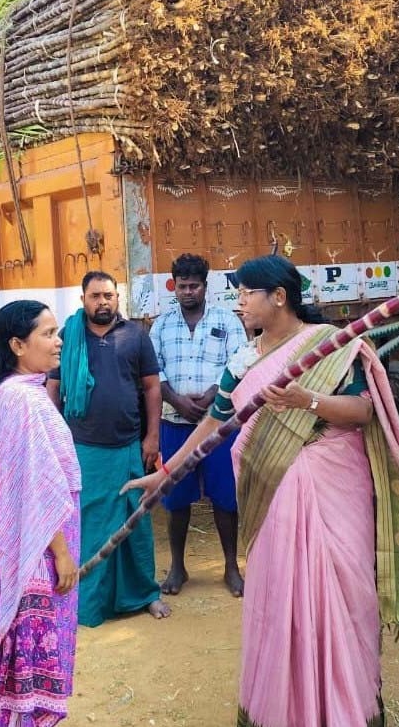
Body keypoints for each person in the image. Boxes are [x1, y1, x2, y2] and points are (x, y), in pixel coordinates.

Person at [126, 255, 399, 727]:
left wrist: (305, 400)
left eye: (248, 293)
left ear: (279, 297)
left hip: (335, 482)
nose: (240, 302)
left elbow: (362, 410)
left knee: (343, 593)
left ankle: (347, 710)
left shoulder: (330, 346)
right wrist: (167, 470)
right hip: (273, 489)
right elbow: (216, 420)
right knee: (282, 597)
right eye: (238, 293)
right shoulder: (245, 358)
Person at [0, 300, 81, 727]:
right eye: (48, 334)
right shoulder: (20, 399)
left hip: (41, 538)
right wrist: (62, 554)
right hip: (39, 546)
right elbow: (30, 490)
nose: (58, 341)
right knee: (29, 654)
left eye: (57, 332)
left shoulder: (25, 392)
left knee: (32, 655)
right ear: (17, 344)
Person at [47, 271, 170, 624]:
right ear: (83, 299)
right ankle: (89, 604)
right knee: (91, 525)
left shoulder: (135, 335)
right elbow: (53, 388)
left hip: (128, 445)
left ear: (118, 298)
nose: (103, 301)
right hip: (84, 448)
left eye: (109, 295)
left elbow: (151, 388)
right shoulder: (69, 335)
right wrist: (55, 436)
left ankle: (145, 594)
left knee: (136, 523)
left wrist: (152, 437)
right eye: (96, 296)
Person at [149, 253, 248, 596]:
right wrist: (176, 400)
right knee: (176, 498)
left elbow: (240, 363)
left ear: (206, 286)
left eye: (194, 286)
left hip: (219, 424)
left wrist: (211, 397)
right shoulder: (161, 325)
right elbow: (153, 372)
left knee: (225, 498)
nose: (187, 292)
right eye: (181, 286)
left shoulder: (228, 321)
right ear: (173, 286)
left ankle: (231, 568)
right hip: (175, 422)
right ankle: (178, 568)